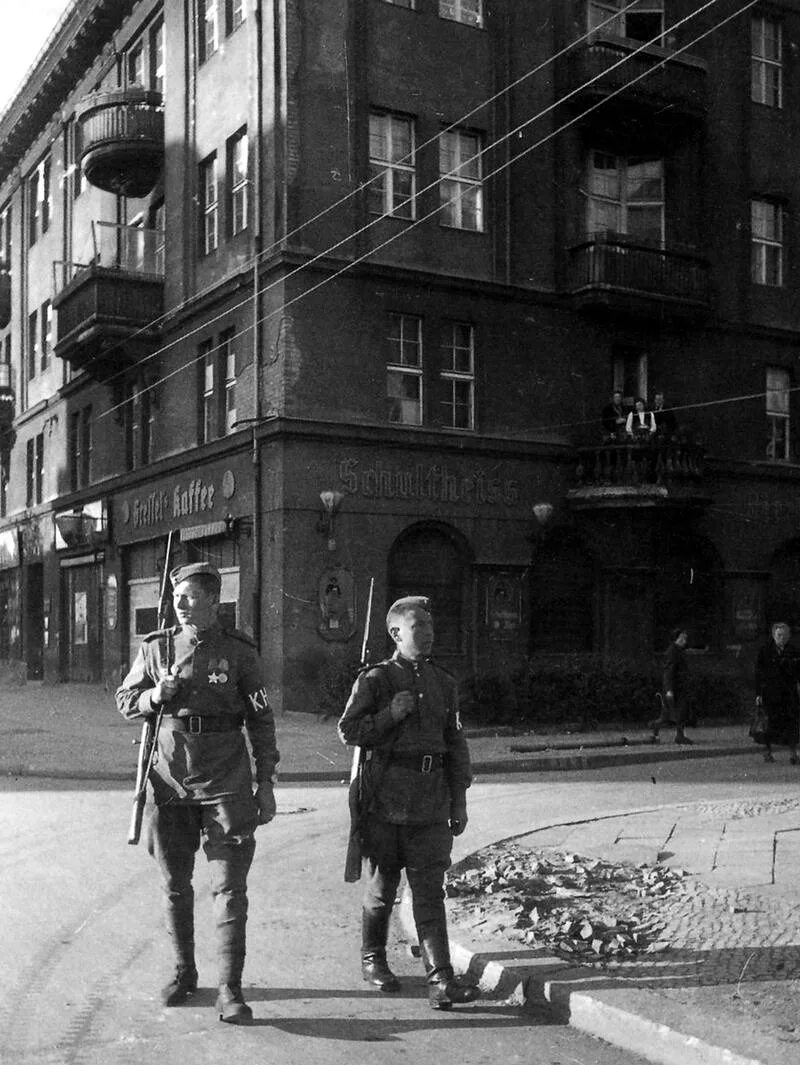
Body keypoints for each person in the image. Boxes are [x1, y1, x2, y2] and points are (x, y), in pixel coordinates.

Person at [116, 562, 279, 1025]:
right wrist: (154, 696)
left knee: (230, 889)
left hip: (226, 783)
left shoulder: (241, 654)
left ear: (214, 599)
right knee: (174, 884)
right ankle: (185, 973)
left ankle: (230, 989)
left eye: (190, 597)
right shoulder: (155, 649)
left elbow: (261, 721)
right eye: (176, 597)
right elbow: (126, 699)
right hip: (168, 783)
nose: (180, 605)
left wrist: (265, 781)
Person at [338, 596, 479, 1010]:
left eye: (431, 627)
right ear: (396, 633)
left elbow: (455, 744)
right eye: (419, 627)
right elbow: (348, 730)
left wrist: (459, 801)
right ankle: (373, 959)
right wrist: (389, 716)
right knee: (383, 886)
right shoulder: (376, 679)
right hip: (385, 800)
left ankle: (441, 981)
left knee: (429, 891)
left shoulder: (443, 682)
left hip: (431, 802)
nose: (429, 634)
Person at [755, 621, 800, 765]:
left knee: (791, 723)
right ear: (774, 635)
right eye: (779, 635)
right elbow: (758, 673)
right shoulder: (765, 651)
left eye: (785, 635)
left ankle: (793, 753)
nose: (782, 638)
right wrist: (758, 694)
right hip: (770, 693)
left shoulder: (793, 651)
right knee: (769, 723)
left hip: (789, 693)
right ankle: (767, 752)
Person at [649, 627, 692, 744]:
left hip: (678, 688)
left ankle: (656, 727)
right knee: (679, 712)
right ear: (676, 638)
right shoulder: (673, 652)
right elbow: (668, 671)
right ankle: (679, 735)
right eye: (682, 637)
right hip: (676, 688)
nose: (684, 640)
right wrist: (668, 689)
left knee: (669, 714)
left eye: (685, 638)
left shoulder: (678, 651)